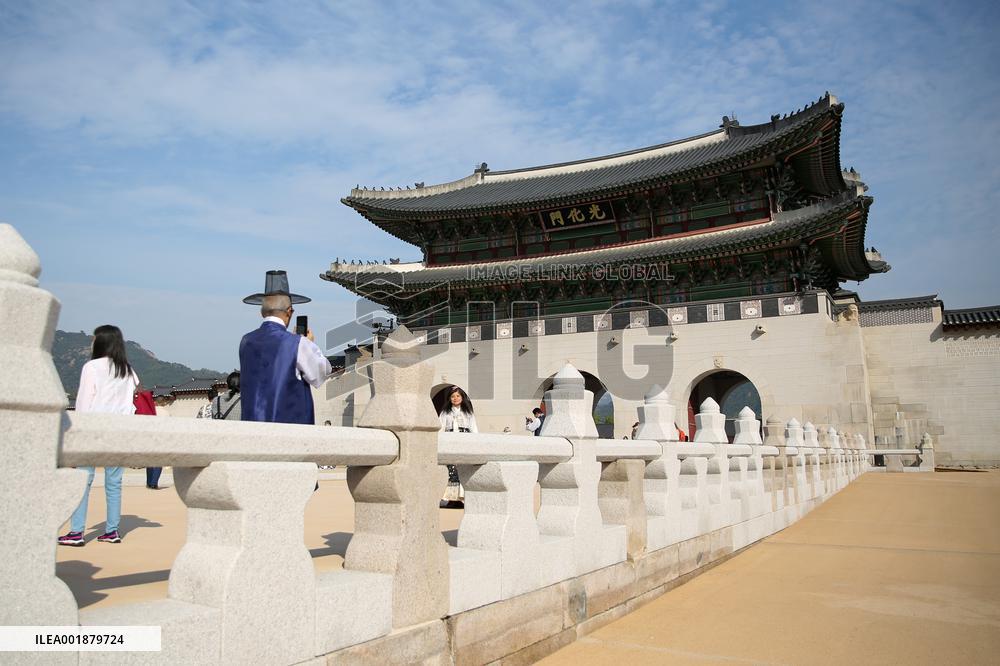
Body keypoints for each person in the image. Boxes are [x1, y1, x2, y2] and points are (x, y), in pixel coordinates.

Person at [59, 325, 139, 546]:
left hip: (94, 431)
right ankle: (112, 531)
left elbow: (84, 402)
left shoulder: (92, 367)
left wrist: (75, 432)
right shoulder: (127, 370)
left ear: (102, 341)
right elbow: (129, 404)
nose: (91, 342)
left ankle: (77, 532)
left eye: (94, 339)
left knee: (83, 481)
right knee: (114, 483)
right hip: (119, 432)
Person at [239, 288, 331, 425]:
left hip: (251, 427)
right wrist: (309, 343)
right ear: (289, 312)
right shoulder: (297, 343)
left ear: (262, 312)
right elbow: (320, 373)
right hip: (287, 430)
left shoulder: (246, 341)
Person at [438, 386, 476, 507]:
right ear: (449, 398)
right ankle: (451, 498)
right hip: (450, 441)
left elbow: (473, 427)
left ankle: (463, 497)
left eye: (458, 396)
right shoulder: (445, 412)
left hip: (464, 441)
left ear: (462, 397)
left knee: (463, 467)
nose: (455, 398)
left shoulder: (467, 412)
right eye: (453, 396)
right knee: (451, 469)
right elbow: (441, 427)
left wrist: (476, 442)